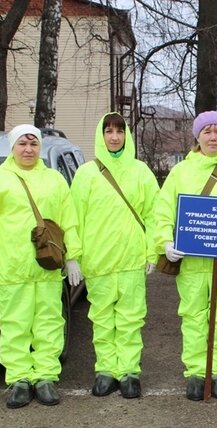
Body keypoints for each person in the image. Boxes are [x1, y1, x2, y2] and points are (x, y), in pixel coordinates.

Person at [0, 124, 82, 409]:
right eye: (22, 143)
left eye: (33, 143)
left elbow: (68, 220)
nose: (28, 149)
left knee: (49, 323)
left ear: (40, 147)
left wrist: (73, 256)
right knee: (15, 325)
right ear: (12, 147)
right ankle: (19, 378)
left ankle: (46, 376)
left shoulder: (55, 180)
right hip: (12, 267)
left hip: (46, 266)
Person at [153, 110, 217, 401]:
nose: (213, 137)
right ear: (197, 136)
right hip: (192, 265)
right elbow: (163, 212)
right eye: (207, 131)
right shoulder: (181, 172)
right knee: (194, 318)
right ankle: (197, 372)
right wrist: (166, 242)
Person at [71, 112, 159, 399]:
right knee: (102, 319)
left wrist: (152, 251)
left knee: (131, 319)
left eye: (119, 131)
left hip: (132, 260)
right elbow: (74, 219)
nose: (114, 136)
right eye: (108, 131)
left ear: (126, 135)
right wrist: (74, 256)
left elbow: (154, 215)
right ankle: (106, 371)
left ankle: (130, 371)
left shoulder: (141, 172)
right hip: (98, 261)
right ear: (101, 135)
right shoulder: (85, 174)